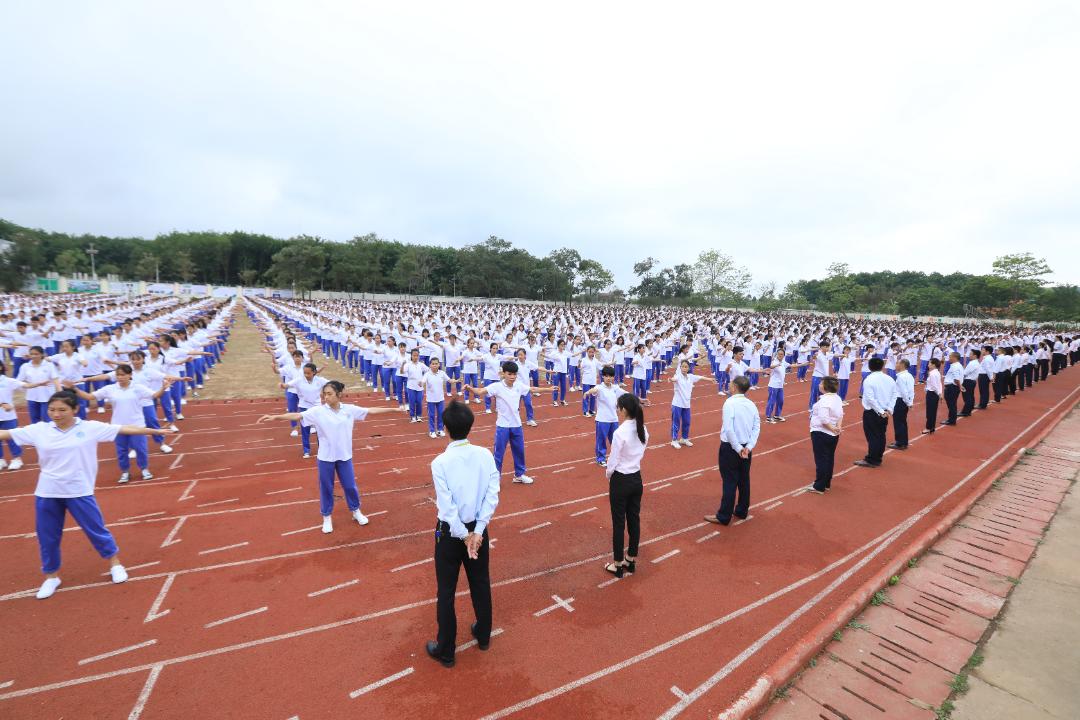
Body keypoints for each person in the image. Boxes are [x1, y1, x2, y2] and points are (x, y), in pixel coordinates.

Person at [0, 390, 172, 599]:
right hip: (47, 491)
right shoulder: (39, 430)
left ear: (75, 409)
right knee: (48, 536)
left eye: (62, 410)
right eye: (52, 410)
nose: (56, 414)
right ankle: (51, 576)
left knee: (96, 530)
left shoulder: (90, 428)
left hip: (79, 490)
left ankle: (114, 564)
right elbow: (7, 434)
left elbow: (123, 428)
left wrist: (151, 431)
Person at [257, 380, 401, 533]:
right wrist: (276, 417)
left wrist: (395, 410)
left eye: (330, 394)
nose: (326, 397)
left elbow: (371, 411)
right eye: (324, 394)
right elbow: (297, 415)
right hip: (325, 458)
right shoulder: (318, 411)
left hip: (344, 456)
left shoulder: (349, 410)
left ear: (339, 395)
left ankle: (355, 511)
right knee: (326, 487)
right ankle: (326, 517)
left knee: (350, 486)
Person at [426, 401, 500, 668]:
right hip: (477, 531)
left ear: (445, 428)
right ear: (470, 426)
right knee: (480, 581)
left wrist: (464, 535)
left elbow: (446, 506)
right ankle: (483, 635)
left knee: (446, 591)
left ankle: (446, 650)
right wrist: (477, 532)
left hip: (450, 534)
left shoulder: (440, 463)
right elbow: (492, 496)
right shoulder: (485, 455)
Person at [63, 365, 172, 483]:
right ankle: (125, 472)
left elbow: (154, 395)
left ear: (130, 375)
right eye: (118, 375)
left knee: (140, 449)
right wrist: (75, 389)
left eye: (123, 374)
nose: (120, 377)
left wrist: (163, 388)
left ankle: (144, 469)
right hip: (118, 426)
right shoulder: (110, 389)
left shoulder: (138, 388)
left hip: (137, 425)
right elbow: (90, 397)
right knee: (121, 451)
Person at [466, 361, 545, 485]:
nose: (512, 377)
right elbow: (481, 391)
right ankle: (494, 479)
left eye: (514, 374)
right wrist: (470, 389)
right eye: (509, 374)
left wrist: (549, 389)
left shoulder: (519, 385)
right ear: (503, 374)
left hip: (517, 425)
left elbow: (532, 389)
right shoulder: (497, 387)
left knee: (519, 451)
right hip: (503, 426)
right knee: (498, 453)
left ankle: (519, 475)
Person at [705, 375, 759, 525]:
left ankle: (724, 515)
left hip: (731, 448)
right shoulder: (751, 404)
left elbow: (729, 429)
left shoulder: (729, 403)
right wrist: (748, 447)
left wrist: (738, 448)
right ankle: (742, 510)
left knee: (729, 481)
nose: (729, 384)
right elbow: (756, 427)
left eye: (731, 383)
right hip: (746, 449)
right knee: (744, 480)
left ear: (734, 387)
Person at [604, 393, 648, 577]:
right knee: (634, 519)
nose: (617, 410)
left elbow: (613, 461)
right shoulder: (643, 429)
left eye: (618, 407)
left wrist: (608, 475)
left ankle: (617, 564)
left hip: (621, 480)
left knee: (618, 523)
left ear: (623, 410)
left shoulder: (620, 432)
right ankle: (630, 559)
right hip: (636, 478)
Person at [854, 357, 896, 468]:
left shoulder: (869, 379)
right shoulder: (890, 379)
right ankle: (877, 457)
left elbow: (870, 399)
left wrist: (881, 411)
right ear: (882, 366)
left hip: (873, 412)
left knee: (872, 436)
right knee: (881, 435)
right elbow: (894, 395)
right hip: (885, 411)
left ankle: (872, 459)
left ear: (869, 367)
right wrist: (889, 409)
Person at [584, 365, 627, 465]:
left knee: (615, 440)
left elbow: (627, 394)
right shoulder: (599, 387)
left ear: (613, 377)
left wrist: (640, 400)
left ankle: (616, 458)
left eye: (611, 376)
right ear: (602, 377)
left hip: (614, 419)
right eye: (606, 376)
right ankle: (600, 458)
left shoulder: (615, 388)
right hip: (602, 420)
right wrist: (587, 392)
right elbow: (594, 390)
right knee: (601, 440)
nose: (608, 378)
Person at [808, 376, 843, 494]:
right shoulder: (837, 398)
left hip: (821, 433)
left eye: (821, 383)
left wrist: (833, 428)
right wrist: (837, 428)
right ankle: (827, 482)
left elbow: (824, 419)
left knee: (821, 459)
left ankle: (819, 486)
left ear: (825, 387)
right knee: (829, 458)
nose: (819, 385)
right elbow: (841, 415)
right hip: (833, 434)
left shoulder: (824, 401)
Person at [669, 358, 709, 448]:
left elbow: (701, 377)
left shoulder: (691, 377)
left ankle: (684, 438)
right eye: (682, 366)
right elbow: (674, 379)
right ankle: (674, 440)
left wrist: (710, 379)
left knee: (687, 422)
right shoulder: (678, 376)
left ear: (688, 368)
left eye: (686, 367)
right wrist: (670, 379)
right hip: (677, 404)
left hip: (686, 404)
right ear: (680, 367)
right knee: (676, 422)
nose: (684, 368)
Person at [889, 359, 915, 450]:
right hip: (905, 401)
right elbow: (911, 391)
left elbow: (904, 392)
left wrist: (908, 402)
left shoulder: (901, 377)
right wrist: (910, 402)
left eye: (897, 363)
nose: (896, 365)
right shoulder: (909, 376)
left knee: (898, 422)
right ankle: (903, 441)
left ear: (902, 365)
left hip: (900, 401)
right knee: (903, 421)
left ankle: (900, 443)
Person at [942, 351, 964, 426]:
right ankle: (952, 419)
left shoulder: (955, 366)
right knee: (952, 404)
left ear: (954, 358)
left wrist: (960, 386)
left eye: (950, 356)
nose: (949, 358)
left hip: (952, 387)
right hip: (954, 387)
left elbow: (956, 378)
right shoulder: (958, 365)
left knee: (951, 404)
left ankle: (951, 420)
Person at [922, 358, 942, 434]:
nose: (928, 365)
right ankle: (932, 427)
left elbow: (934, 386)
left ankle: (928, 427)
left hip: (932, 393)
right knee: (933, 411)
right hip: (935, 393)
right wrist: (940, 393)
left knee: (930, 412)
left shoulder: (932, 373)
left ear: (933, 365)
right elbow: (939, 384)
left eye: (930, 363)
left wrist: (939, 393)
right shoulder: (937, 372)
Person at [959, 349, 980, 417]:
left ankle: (965, 412)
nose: (969, 355)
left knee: (967, 397)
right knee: (970, 396)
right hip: (972, 381)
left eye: (971, 354)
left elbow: (965, 373)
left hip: (968, 381)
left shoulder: (972, 363)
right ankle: (969, 409)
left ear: (975, 356)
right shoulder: (976, 362)